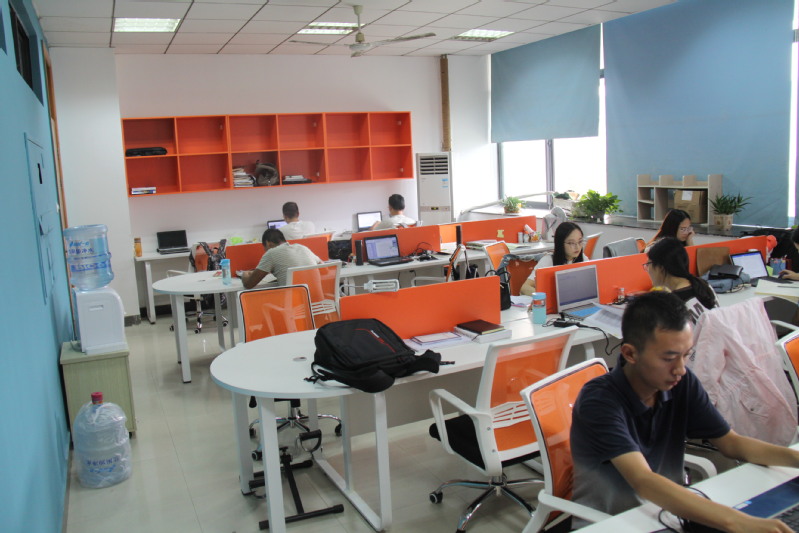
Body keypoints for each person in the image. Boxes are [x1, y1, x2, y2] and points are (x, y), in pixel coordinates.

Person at [571, 291, 799, 533]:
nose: (680, 369)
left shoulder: (680, 382)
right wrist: (736, 522)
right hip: (616, 524)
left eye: (686, 354)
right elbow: (643, 480)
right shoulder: (599, 400)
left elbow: (731, 443)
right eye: (669, 358)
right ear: (630, 353)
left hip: (671, 512)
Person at [645, 237, 718, 319]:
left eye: (648, 264)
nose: (647, 269)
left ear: (660, 267)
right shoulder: (703, 284)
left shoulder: (671, 304)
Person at [520, 221, 587, 295]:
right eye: (572, 243)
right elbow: (524, 288)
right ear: (560, 243)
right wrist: (546, 296)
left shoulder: (583, 258)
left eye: (580, 241)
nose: (577, 247)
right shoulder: (548, 261)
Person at [241, 229, 320, 288]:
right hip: (319, 301)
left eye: (264, 248)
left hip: (295, 303)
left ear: (268, 243)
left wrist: (244, 274)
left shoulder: (271, 253)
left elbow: (248, 284)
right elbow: (323, 267)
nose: (265, 251)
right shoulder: (302, 247)